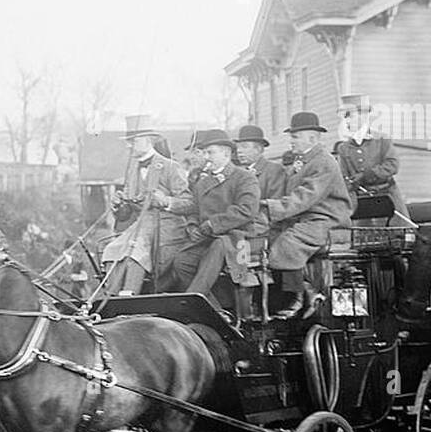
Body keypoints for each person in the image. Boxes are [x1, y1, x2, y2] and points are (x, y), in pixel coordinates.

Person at [261, 111, 354, 318]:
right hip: (307, 219)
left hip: (328, 221)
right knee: (267, 240)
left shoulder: (324, 162)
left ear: (312, 138)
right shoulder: (303, 161)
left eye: (295, 136)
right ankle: (282, 300)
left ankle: (303, 298)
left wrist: (272, 207)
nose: (291, 141)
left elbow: (304, 197)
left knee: (287, 244)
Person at [167, 129, 263, 312]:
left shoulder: (244, 177)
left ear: (226, 153)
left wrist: (212, 224)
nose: (206, 157)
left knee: (219, 246)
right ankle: (215, 311)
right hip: (207, 236)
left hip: (241, 238)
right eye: (204, 153)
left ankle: (190, 303)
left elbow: (247, 210)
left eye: (210, 152)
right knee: (182, 261)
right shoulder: (203, 182)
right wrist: (193, 225)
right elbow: (195, 209)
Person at [100, 118, 193, 296]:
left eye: (132, 141)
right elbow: (126, 215)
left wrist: (166, 201)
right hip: (140, 226)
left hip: (167, 226)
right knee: (112, 249)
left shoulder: (170, 167)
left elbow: (189, 203)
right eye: (128, 142)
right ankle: (111, 297)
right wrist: (119, 205)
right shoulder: (132, 169)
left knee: (135, 250)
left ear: (148, 140)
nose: (129, 146)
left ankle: (129, 295)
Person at [333, 93, 408, 219]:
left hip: (388, 198)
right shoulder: (344, 148)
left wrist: (366, 175)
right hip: (363, 204)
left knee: (397, 235)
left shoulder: (382, 139)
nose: (346, 120)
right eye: (344, 116)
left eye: (349, 115)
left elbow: (393, 165)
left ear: (364, 116)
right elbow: (344, 179)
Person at [234, 124, 289, 203]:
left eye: (244, 146)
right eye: (238, 147)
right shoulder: (239, 173)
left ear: (258, 149)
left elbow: (275, 203)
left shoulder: (274, 170)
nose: (239, 151)